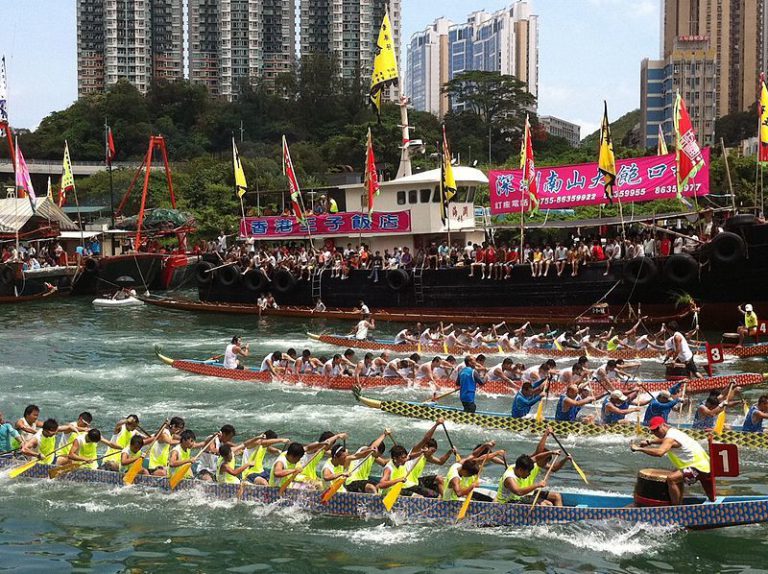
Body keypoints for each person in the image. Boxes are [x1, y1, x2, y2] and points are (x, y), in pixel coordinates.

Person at [630, 416, 711, 505]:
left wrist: (639, 449)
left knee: (672, 479)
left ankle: (674, 508)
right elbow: (665, 440)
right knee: (676, 474)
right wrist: (649, 442)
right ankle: (679, 503)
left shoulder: (670, 438)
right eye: (653, 431)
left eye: (657, 429)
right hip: (704, 465)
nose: (655, 433)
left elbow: (660, 452)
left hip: (698, 468)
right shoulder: (673, 432)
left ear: (664, 425)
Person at [496, 430, 567, 506]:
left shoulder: (523, 464)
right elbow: (519, 492)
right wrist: (537, 485)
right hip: (505, 504)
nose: (529, 474)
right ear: (520, 470)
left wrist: (551, 452)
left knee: (550, 502)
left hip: (518, 498)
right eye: (528, 472)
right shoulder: (510, 478)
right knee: (544, 505)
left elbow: (536, 457)